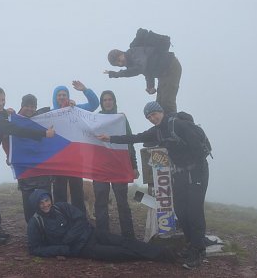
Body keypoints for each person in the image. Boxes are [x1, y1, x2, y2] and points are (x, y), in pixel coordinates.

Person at [97, 101, 210, 269]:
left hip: (196, 172)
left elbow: (199, 152)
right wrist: (110, 138)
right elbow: (135, 138)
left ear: (161, 111)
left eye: (154, 114)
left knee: (194, 211)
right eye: (149, 117)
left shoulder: (178, 125)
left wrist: (192, 169)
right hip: (179, 173)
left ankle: (198, 250)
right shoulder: (156, 131)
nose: (152, 118)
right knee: (181, 210)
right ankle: (191, 244)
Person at [0, 87, 55, 246]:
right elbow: (15, 130)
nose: (0, 103)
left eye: (2, 100)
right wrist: (43, 134)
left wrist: (4, 112)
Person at [27, 188, 176, 263]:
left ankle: (163, 253)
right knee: (118, 253)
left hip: (92, 233)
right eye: (41, 203)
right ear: (36, 205)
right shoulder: (35, 223)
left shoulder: (61, 207)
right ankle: (155, 256)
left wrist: (67, 238)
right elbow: (35, 249)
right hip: (82, 249)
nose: (46, 204)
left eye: (47, 200)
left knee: (124, 241)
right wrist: (61, 249)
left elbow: (81, 219)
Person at [93, 90, 139, 238]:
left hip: (119, 165)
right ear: (101, 102)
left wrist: (134, 166)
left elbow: (129, 141)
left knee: (122, 202)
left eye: (110, 99)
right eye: (105, 100)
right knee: (100, 202)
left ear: (114, 101)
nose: (107, 102)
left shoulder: (121, 118)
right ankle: (102, 235)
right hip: (100, 166)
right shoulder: (95, 119)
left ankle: (128, 235)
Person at [104, 32, 181, 115]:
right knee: (159, 104)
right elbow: (147, 71)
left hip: (171, 66)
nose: (120, 63)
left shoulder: (133, 53)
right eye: (117, 64)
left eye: (119, 60)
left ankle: (173, 124)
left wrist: (116, 74)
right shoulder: (131, 63)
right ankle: (164, 125)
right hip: (162, 74)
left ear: (121, 53)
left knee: (167, 101)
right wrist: (150, 86)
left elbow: (140, 68)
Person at [2, 94, 52, 223]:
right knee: (28, 199)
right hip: (24, 167)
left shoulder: (40, 119)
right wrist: (9, 155)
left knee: (45, 198)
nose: (30, 109)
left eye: (33, 106)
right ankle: (32, 227)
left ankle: (48, 227)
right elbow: (6, 140)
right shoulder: (12, 120)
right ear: (22, 106)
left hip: (42, 167)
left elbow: (58, 113)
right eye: (27, 106)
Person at [51, 81, 99, 213]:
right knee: (60, 192)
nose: (62, 97)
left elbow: (94, 104)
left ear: (68, 96)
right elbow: (32, 121)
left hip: (75, 159)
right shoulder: (49, 114)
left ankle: (79, 220)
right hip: (58, 160)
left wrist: (85, 90)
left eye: (64, 94)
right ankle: (60, 218)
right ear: (55, 97)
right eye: (59, 95)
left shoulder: (75, 109)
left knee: (77, 191)